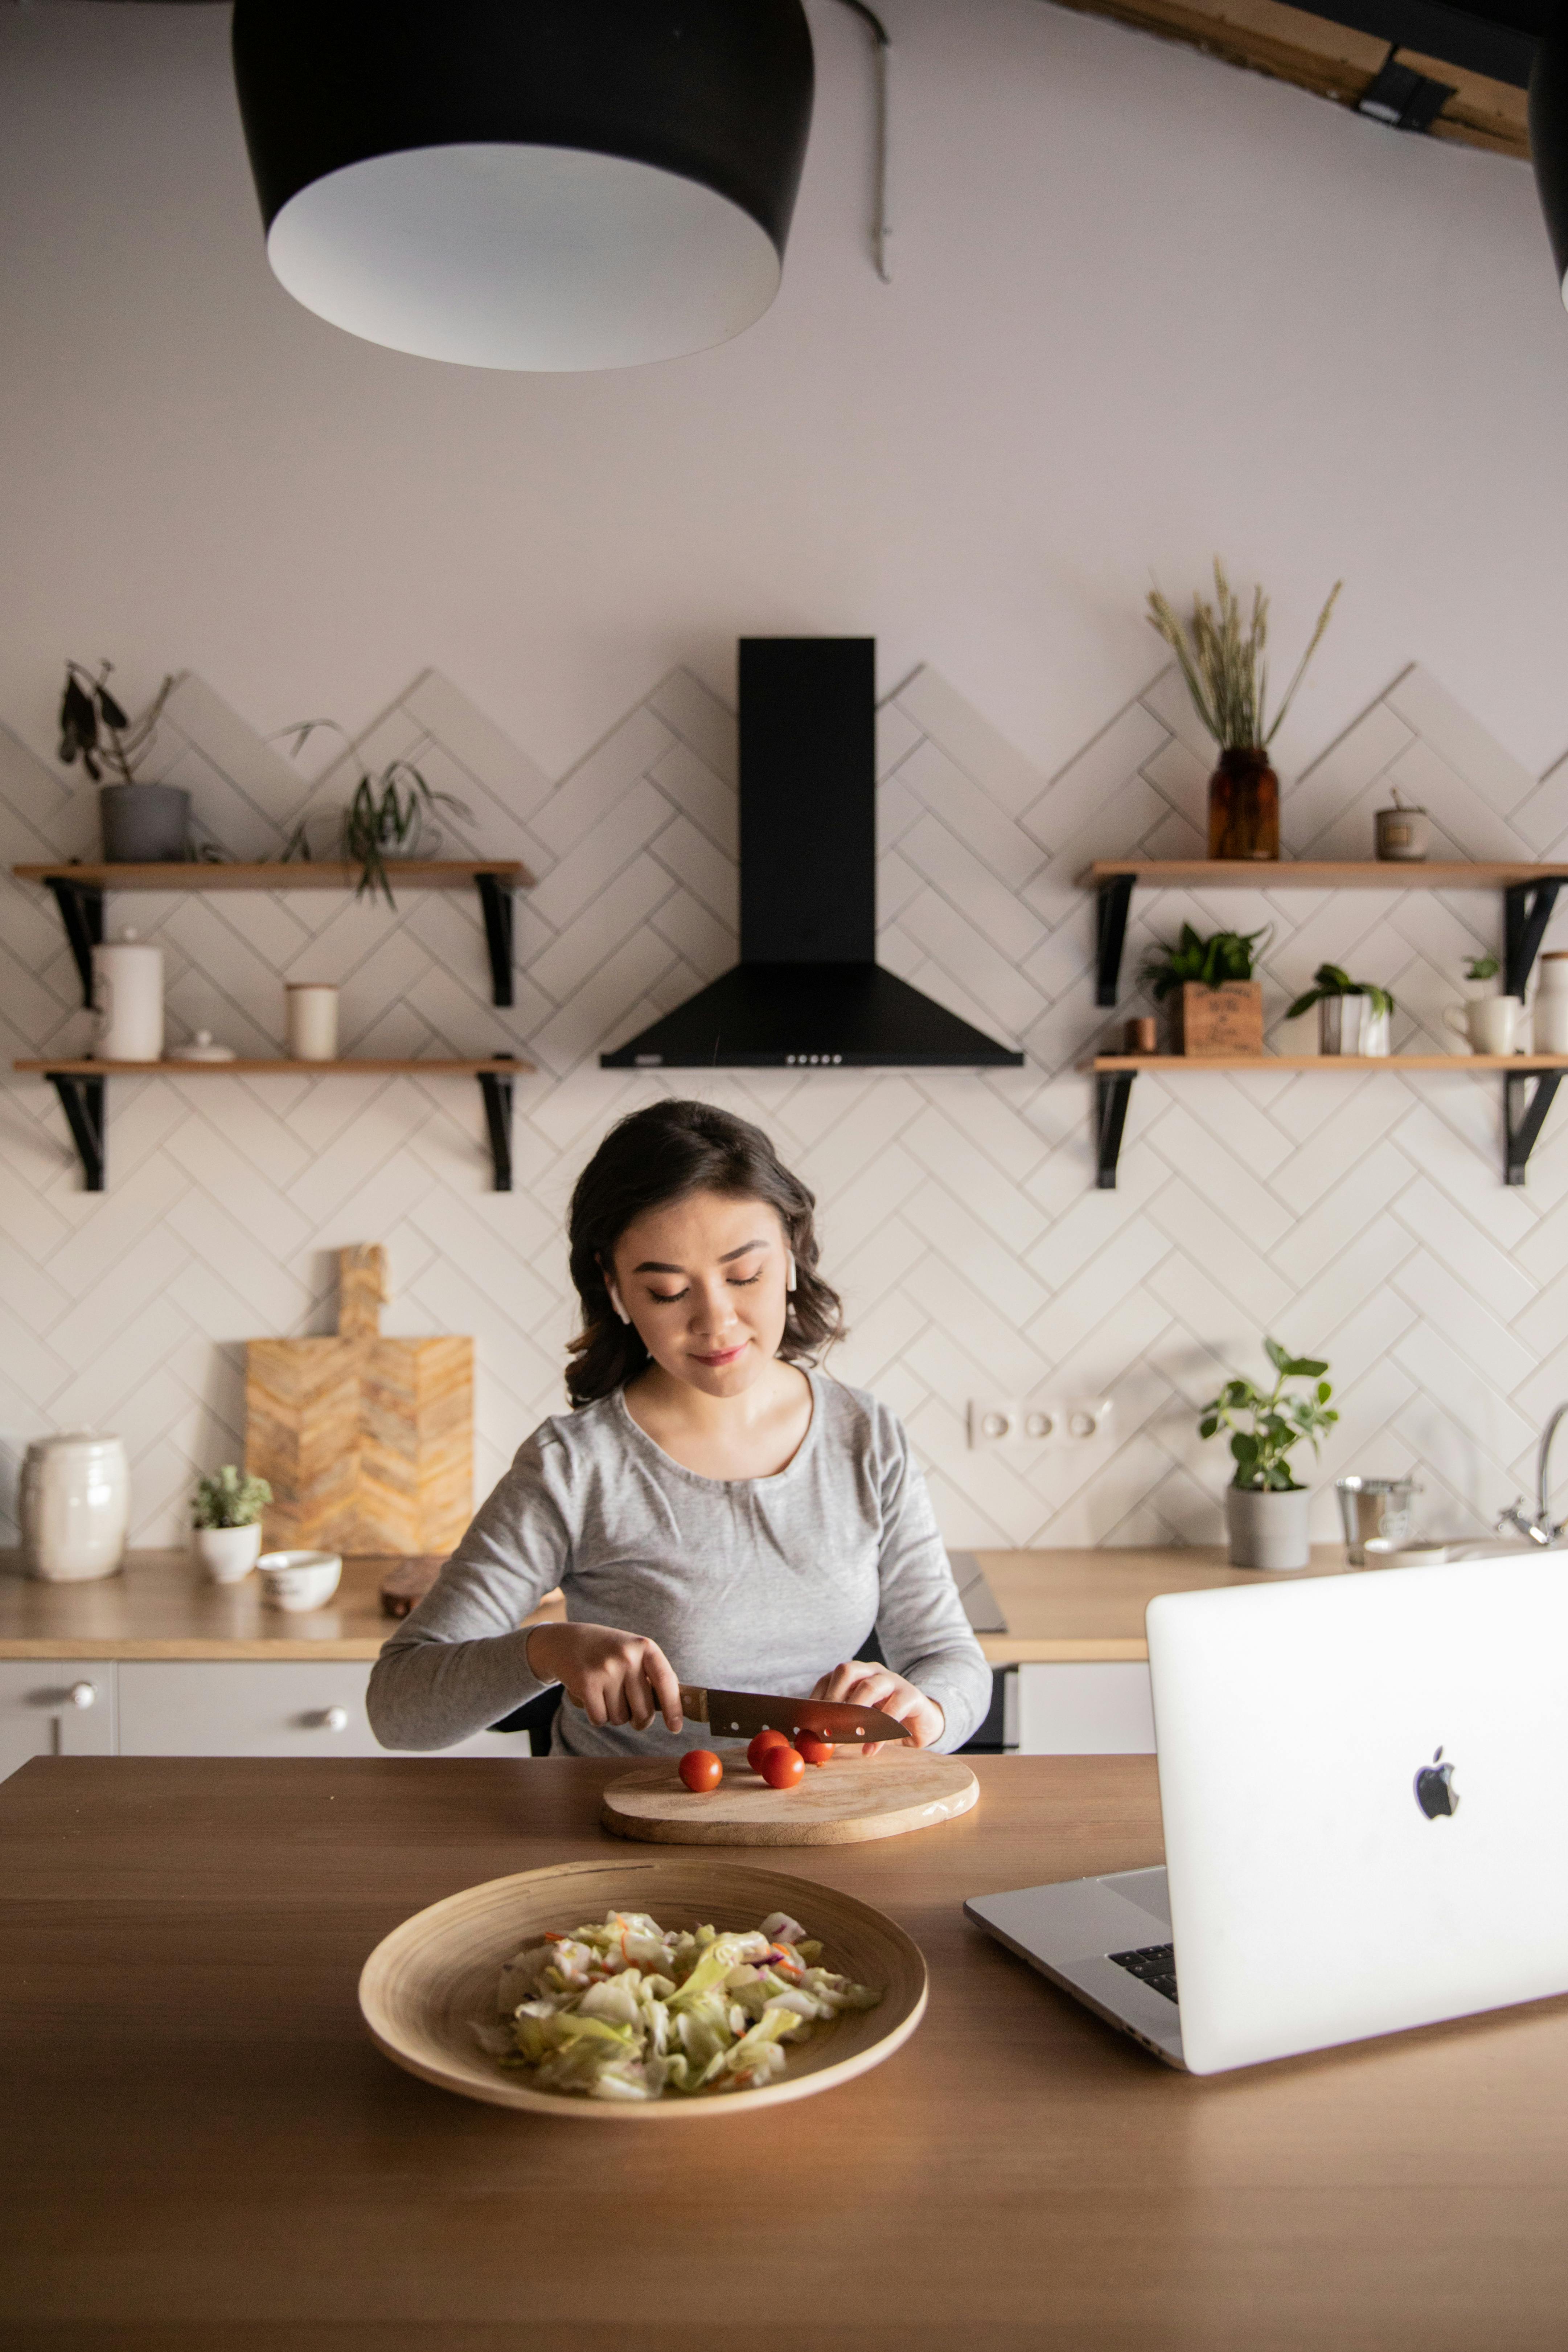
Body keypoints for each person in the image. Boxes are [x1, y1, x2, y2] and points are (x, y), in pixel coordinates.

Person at [367, 1098, 991, 1760]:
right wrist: (546, 1650)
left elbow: (948, 1657)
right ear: (616, 1292)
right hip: (615, 1836)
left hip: (818, 1820)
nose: (716, 1322)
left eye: (745, 1275)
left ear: (791, 1255)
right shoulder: (573, 1467)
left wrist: (923, 1710)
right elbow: (398, 1709)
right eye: (667, 1292)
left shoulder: (864, 1435)